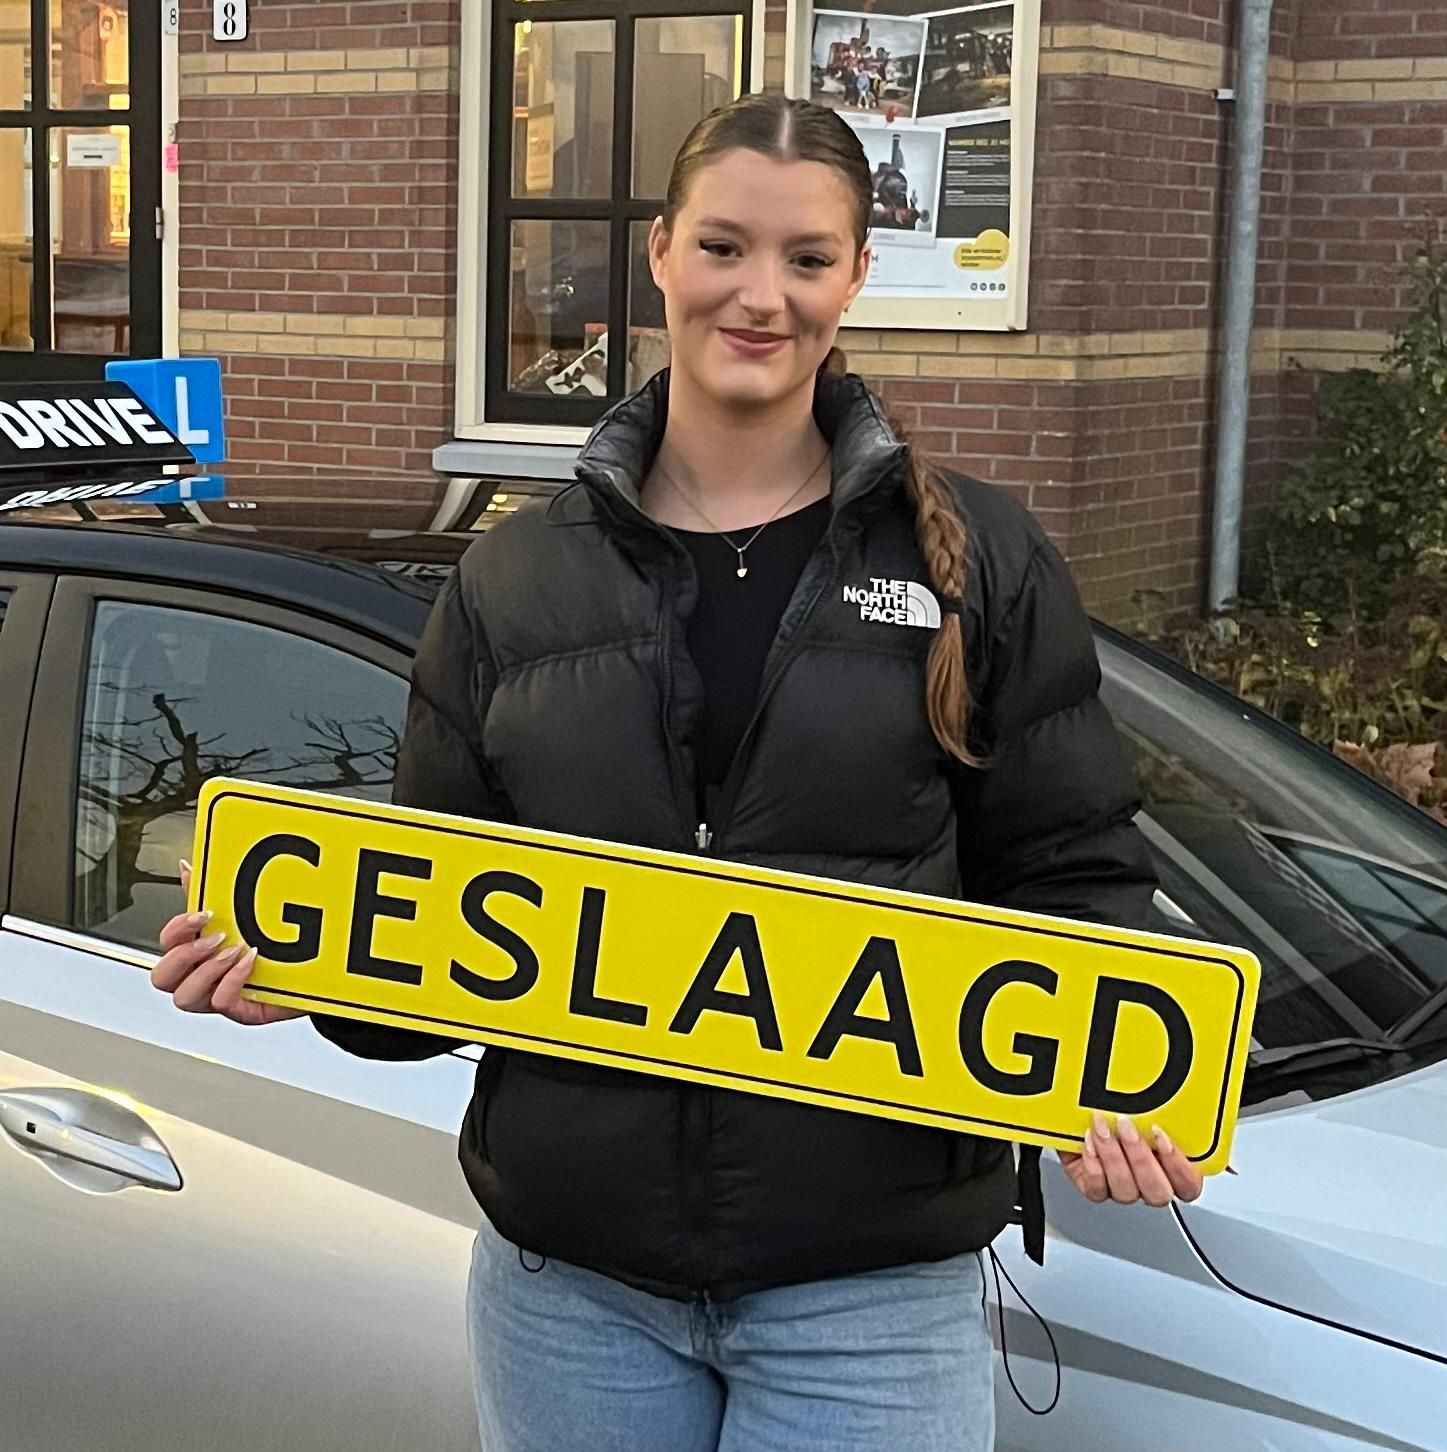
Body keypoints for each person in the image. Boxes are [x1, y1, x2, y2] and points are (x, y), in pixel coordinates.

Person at [151, 93, 1203, 1452]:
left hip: (871, 1293)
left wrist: (1112, 1077)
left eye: (806, 258)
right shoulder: (515, 577)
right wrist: (301, 970)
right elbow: (436, 925)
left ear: (854, 277)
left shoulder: (980, 560)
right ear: (658, 254)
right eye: (722, 246)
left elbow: (1073, 867)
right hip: (568, 1291)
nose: (760, 295)